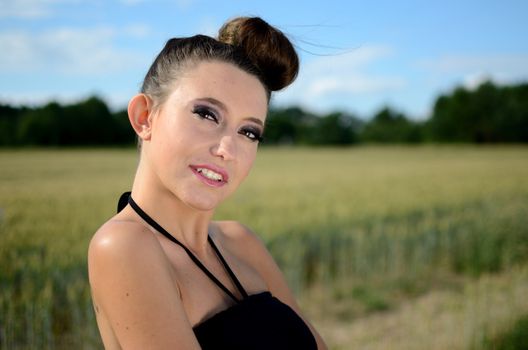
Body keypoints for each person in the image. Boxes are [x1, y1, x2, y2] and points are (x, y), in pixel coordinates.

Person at [88, 16, 327, 349]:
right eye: (206, 114)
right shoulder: (125, 246)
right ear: (145, 117)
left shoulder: (241, 241)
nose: (227, 150)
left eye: (249, 132)